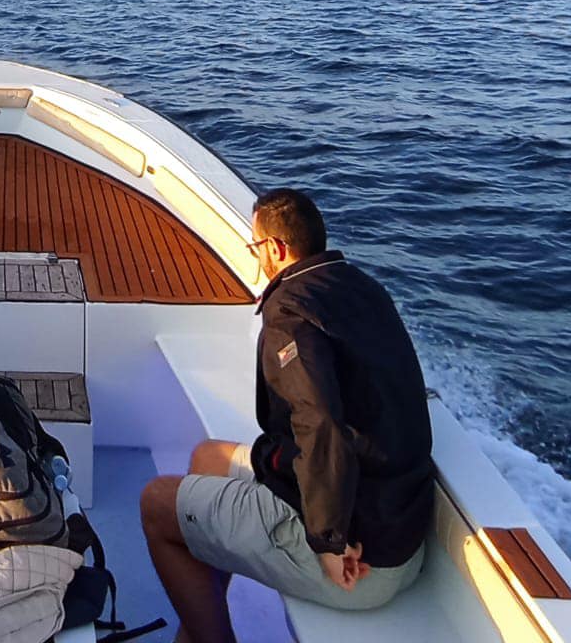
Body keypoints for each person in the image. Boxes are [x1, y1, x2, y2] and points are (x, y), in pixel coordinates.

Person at [140, 188, 434, 643]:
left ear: (276, 250)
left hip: (361, 559)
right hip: (397, 526)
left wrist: (329, 542)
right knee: (207, 459)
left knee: (157, 505)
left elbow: (321, 425)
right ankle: (197, 629)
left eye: (256, 247)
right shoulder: (361, 287)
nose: (257, 258)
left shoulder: (289, 310)